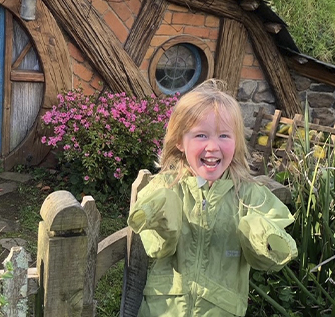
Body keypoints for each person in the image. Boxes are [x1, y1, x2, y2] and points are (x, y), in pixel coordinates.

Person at [127, 79, 297, 316]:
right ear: (179, 141)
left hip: (222, 310)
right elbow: (156, 248)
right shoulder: (165, 187)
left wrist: (263, 235)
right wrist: (160, 221)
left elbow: (268, 260)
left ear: (236, 142)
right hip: (163, 309)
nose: (212, 147)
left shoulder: (248, 195)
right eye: (200, 136)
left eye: (224, 136)